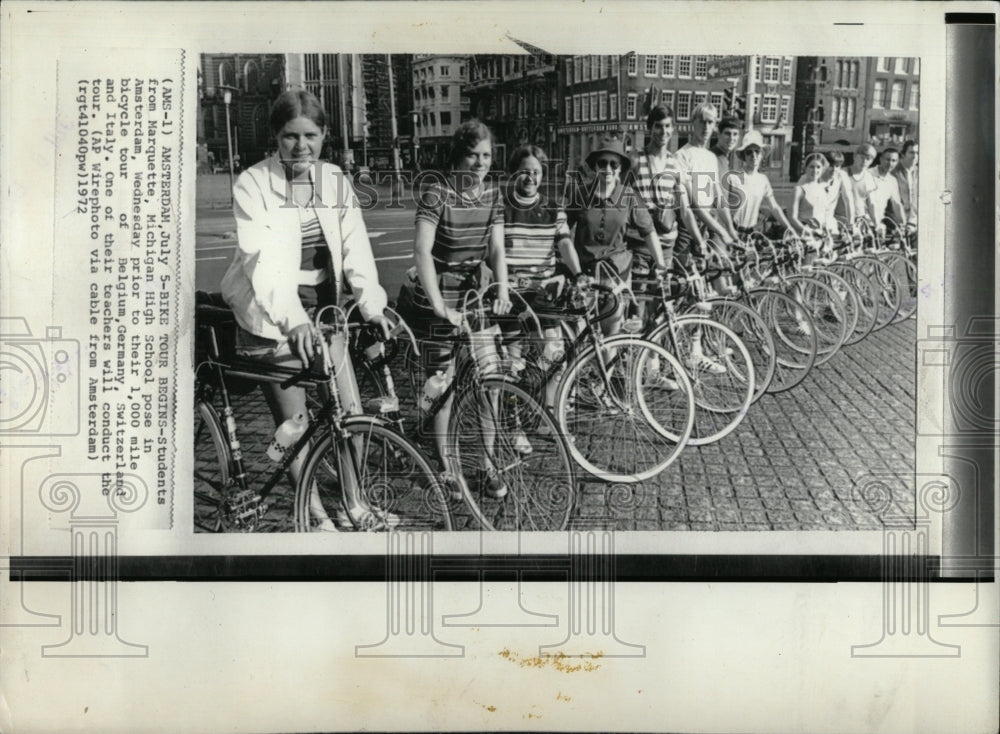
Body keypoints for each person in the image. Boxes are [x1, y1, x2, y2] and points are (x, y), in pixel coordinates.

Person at [221, 89, 391, 531]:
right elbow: (263, 263)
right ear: (275, 138)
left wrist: (372, 307)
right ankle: (315, 517)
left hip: (325, 314)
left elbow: (356, 247)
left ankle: (355, 505)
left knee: (349, 418)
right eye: (290, 136)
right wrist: (292, 320)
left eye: (310, 135)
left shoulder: (334, 179)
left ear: (325, 136)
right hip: (272, 317)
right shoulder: (252, 184)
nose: (301, 147)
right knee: (295, 429)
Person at [405, 119, 511, 496]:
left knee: (491, 382)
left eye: (486, 155)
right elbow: (422, 252)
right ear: (458, 157)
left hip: (473, 295)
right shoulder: (437, 194)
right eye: (473, 155)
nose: (480, 163)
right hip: (439, 294)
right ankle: (446, 467)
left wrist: (502, 288)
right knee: (441, 384)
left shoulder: (494, 197)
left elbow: (497, 250)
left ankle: (487, 463)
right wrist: (437, 306)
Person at [563, 134, 664, 337]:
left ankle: (607, 370)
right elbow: (563, 231)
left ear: (620, 169)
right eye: (602, 163)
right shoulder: (580, 195)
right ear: (595, 166)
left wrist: (661, 265)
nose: (607, 169)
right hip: (586, 275)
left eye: (613, 164)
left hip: (616, 275)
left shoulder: (628, 196)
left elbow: (648, 231)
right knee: (582, 335)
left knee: (611, 334)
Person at [501, 145, 578, 408]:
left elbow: (565, 243)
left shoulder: (552, 208)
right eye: (524, 172)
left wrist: (578, 274)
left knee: (554, 353)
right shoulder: (502, 208)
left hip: (543, 292)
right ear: (513, 174)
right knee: (513, 363)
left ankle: (548, 409)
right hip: (512, 293)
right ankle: (513, 425)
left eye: (536, 172)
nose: (531, 178)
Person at [674, 103, 738, 295]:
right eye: (701, 121)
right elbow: (693, 202)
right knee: (684, 282)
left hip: (708, 223)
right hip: (688, 225)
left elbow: (718, 197)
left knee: (716, 274)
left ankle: (707, 322)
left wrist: (731, 230)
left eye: (710, 122)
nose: (706, 127)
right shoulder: (682, 155)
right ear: (692, 123)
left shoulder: (710, 157)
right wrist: (721, 230)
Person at [728, 130, 794, 236]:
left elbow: (774, 208)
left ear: (762, 154)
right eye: (749, 152)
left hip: (753, 233)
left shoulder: (763, 180)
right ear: (744, 156)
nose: (753, 155)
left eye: (757, 151)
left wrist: (789, 228)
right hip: (733, 231)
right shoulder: (733, 177)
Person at [791, 153, 834, 236]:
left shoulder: (823, 189)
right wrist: (808, 232)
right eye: (811, 167)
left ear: (822, 169)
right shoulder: (799, 189)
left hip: (821, 235)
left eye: (818, 167)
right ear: (805, 168)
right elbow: (792, 218)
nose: (815, 171)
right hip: (803, 236)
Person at [842, 143, 880, 228]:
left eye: (868, 159)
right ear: (855, 156)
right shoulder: (843, 173)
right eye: (862, 158)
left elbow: (872, 203)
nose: (864, 161)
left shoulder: (869, 177)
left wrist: (877, 223)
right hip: (842, 220)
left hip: (859, 221)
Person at [869, 147, 905, 233]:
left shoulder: (892, 180)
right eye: (887, 159)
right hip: (865, 222)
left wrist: (903, 225)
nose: (890, 163)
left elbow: (897, 204)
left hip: (880, 224)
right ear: (881, 159)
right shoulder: (868, 174)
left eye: (893, 161)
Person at [712, 116, 742, 188]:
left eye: (735, 134)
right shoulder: (711, 157)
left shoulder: (726, 157)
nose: (731, 138)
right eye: (727, 133)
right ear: (719, 135)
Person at [894, 140, 918, 227]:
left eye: (917, 153)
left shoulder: (920, 172)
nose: (915, 156)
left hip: (913, 221)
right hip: (896, 221)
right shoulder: (893, 172)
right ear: (903, 154)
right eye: (911, 152)